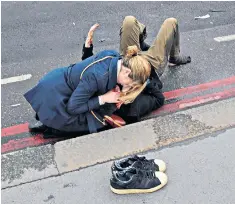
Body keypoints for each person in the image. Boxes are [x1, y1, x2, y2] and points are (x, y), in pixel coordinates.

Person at [81, 16, 191, 123]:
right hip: (150, 66)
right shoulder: (133, 109)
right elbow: (159, 99)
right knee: (171, 22)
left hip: (129, 58)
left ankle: (140, 44)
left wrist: (87, 49)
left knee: (129, 21)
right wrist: (144, 81)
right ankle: (174, 56)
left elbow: (90, 72)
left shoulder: (105, 91)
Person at [24, 44, 151, 136]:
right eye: (130, 84)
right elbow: (73, 107)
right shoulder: (97, 77)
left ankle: (46, 118)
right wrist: (104, 98)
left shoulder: (114, 56)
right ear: (127, 72)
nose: (129, 87)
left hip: (58, 81)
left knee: (93, 110)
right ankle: (52, 128)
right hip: (56, 95)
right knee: (91, 124)